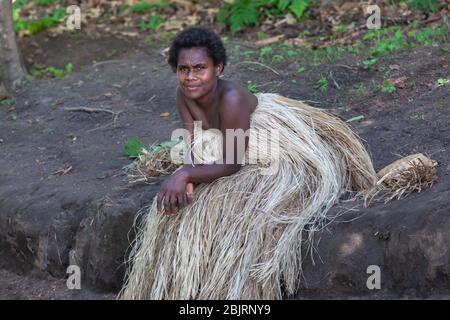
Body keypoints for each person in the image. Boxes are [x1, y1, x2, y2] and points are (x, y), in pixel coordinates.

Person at [119, 27, 377, 300]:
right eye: (183, 69)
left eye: (199, 68)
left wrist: (184, 174)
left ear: (218, 68)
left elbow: (232, 164)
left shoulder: (231, 99)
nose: (191, 77)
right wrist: (190, 177)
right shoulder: (184, 95)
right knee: (183, 208)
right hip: (229, 146)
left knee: (240, 208)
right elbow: (193, 142)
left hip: (268, 149)